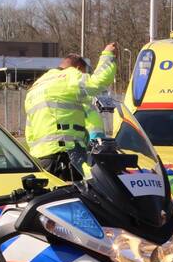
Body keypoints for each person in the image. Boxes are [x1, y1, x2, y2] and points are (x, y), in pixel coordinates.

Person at [24, 43, 118, 180]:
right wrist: (108, 55)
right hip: (67, 156)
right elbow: (100, 81)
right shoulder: (70, 76)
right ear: (79, 67)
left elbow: (30, 133)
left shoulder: (36, 86)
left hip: (41, 160)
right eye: (85, 73)